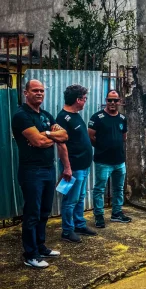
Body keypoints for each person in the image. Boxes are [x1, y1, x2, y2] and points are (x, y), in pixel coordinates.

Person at [11, 80, 68, 268]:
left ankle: (41, 246)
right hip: (31, 171)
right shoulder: (21, 115)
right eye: (35, 90)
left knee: (44, 211)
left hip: (48, 169)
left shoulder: (45, 115)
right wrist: (49, 136)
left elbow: (65, 136)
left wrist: (46, 134)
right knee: (32, 213)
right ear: (25, 93)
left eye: (42, 90)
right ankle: (30, 254)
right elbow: (37, 142)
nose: (39, 93)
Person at [56, 85, 97, 243]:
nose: (85, 101)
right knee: (70, 200)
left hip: (83, 165)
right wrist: (67, 168)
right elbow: (61, 145)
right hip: (73, 167)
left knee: (80, 197)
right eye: (84, 98)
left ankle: (79, 224)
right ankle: (67, 231)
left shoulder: (76, 115)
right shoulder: (62, 118)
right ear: (78, 100)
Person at [88, 90, 131, 228]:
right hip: (103, 161)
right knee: (99, 189)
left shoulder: (122, 118)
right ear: (106, 101)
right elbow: (91, 137)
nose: (112, 103)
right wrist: (101, 147)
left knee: (118, 188)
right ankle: (99, 216)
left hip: (119, 161)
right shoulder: (97, 117)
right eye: (109, 100)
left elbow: (124, 136)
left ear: (119, 101)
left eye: (115, 100)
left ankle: (116, 213)